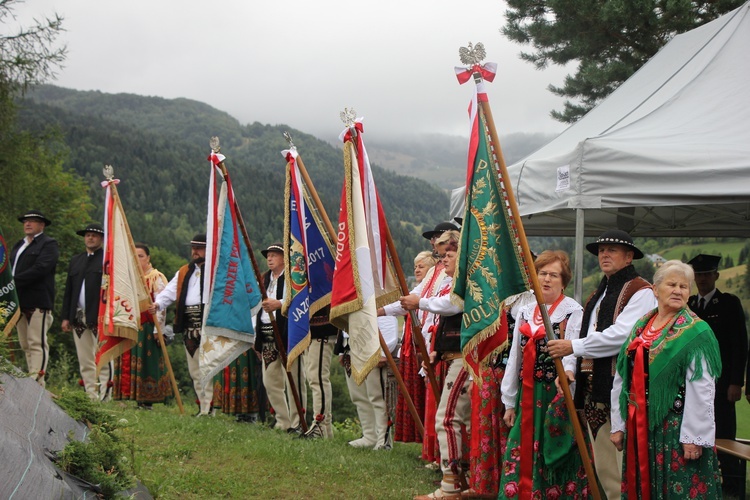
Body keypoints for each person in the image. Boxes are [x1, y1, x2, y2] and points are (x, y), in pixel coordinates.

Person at [547, 229, 656, 499]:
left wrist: (573, 347)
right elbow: (583, 333)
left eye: (612, 250)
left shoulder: (640, 291)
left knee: (618, 462)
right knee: (602, 460)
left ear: (629, 257)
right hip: (592, 387)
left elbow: (623, 336)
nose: (604, 254)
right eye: (601, 250)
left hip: (620, 387)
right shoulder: (600, 292)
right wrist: (570, 368)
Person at [611, 260, 722, 498]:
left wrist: (694, 437)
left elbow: (702, 387)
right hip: (640, 425)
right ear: (655, 289)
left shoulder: (696, 332)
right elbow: (623, 377)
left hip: (676, 429)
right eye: (672, 284)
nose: (678, 290)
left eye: (684, 286)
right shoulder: (641, 326)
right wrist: (618, 424)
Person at [499, 250, 589, 498]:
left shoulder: (573, 311)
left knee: (555, 450)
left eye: (554, 275)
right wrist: (509, 401)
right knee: (520, 447)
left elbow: (572, 351)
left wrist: (568, 375)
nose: (547, 280)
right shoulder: (526, 311)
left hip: (555, 394)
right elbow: (514, 359)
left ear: (564, 281)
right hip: (527, 394)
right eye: (542, 274)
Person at [403, 231, 470, 500]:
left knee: (448, 418)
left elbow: (454, 306)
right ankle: (461, 476)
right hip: (451, 356)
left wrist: (420, 302)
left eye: (449, 255)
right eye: (442, 256)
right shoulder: (449, 281)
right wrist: (438, 351)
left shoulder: (466, 284)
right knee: (455, 419)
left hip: (464, 359)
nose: (444, 260)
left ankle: (452, 481)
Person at [687, 253, 748, 497]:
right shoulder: (689, 305)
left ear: (716, 276)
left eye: (706, 274)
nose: (702, 279)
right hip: (692, 383)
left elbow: (740, 345)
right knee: (694, 433)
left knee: (724, 436)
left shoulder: (729, 304)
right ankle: (698, 480)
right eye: (698, 275)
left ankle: (731, 486)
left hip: (721, 383)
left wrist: (736, 382)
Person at [151, 234, 214, 416]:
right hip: (188, 324)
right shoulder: (185, 271)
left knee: (208, 367)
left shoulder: (215, 271)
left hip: (208, 324)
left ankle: (209, 408)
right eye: (193, 247)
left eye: (199, 248)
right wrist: (157, 304)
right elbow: (169, 292)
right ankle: (202, 407)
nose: (195, 251)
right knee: (194, 369)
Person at [254, 242, 306, 433]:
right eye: (268, 255)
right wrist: (256, 338)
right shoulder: (265, 279)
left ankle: (297, 422)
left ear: (285, 258)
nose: (269, 258)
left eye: (274, 255)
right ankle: (282, 420)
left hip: (286, 334)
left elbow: (301, 299)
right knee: (270, 381)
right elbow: (258, 309)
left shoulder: (293, 278)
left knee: (293, 379)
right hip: (267, 334)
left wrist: (280, 304)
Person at [113, 243, 171, 408]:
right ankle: (125, 396)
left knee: (147, 362)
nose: (137, 260)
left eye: (141, 256)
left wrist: (157, 328)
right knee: (127, 361)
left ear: (148, 258)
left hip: (147, 326)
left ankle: (146, 400)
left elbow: (161, 305)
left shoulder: (155, 277)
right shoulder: (127, 277)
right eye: (134, 256)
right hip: (129, 324)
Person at [61, 223, 112, 401]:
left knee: (104, 356)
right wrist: (66, 317)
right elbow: (69, 290)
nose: (90, 238)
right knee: (85, 359)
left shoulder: (107, 261)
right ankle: (91, 395)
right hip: (78, 315)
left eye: (95, 235)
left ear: (102, 239)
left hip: (99, 314)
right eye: (88, 235)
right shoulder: (77, 260)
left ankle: (106, 395)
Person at [10, 210, 59, 387]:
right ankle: (32, 378)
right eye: (25, 221)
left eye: (32, 221)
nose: (27, 224)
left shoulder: (49, 244)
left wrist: (13, 281)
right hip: (19, 300)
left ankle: (37, 380)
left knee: (36, 341)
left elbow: (41, 268)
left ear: (42, 225)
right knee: (24, 343)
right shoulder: (19, 245)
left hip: (38, 300)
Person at [337, 315, 399, 450]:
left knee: (377, 396)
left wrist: (384, 350)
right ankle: (369, 435)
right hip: (351, 344)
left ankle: (384, 438)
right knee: (358, 396)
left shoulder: (377, 293)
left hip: (373, 344)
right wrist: (342, 350)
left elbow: (388, 315)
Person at [394, 250, 437, 444]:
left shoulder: (431, 289)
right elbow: (401, 305)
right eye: (415, 267)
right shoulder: (418, 291)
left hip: (425, 348)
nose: (417, 270)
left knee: (426, 396)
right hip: (411, 348)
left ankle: (427, 440)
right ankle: (417, 437)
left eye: (421, 266)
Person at [301, 306, 339, 439]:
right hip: (310, 328)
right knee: (313, 378)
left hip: (323, 328)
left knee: (318, 378)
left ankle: (320, 423)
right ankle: (325, 429)